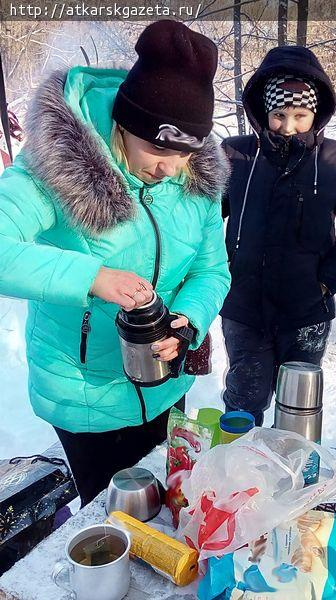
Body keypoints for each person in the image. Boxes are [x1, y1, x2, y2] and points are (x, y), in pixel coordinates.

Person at [0, 20, 231, 505]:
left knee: (168, 509)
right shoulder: (58, 165)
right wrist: (92, 277)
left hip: (166, 388)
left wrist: (187, 319)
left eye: (184, 153)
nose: (170, 168)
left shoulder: (196, 182)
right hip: (85, 398)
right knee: (108, 523)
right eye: (157, 149)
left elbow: (211, 271)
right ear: (125, 122)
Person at [220, 46, 336, 425]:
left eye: (300, 115)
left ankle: (293, 478)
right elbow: (201, 220)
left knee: (298, 412)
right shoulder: (235, 155)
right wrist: (220, 272)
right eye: (279, 115)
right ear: (264, 113)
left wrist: (328, 280)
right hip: (245, 309)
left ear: (315, 113)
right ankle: (239, 477)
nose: (289, 126)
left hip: (306, 311)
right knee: (244, 403)